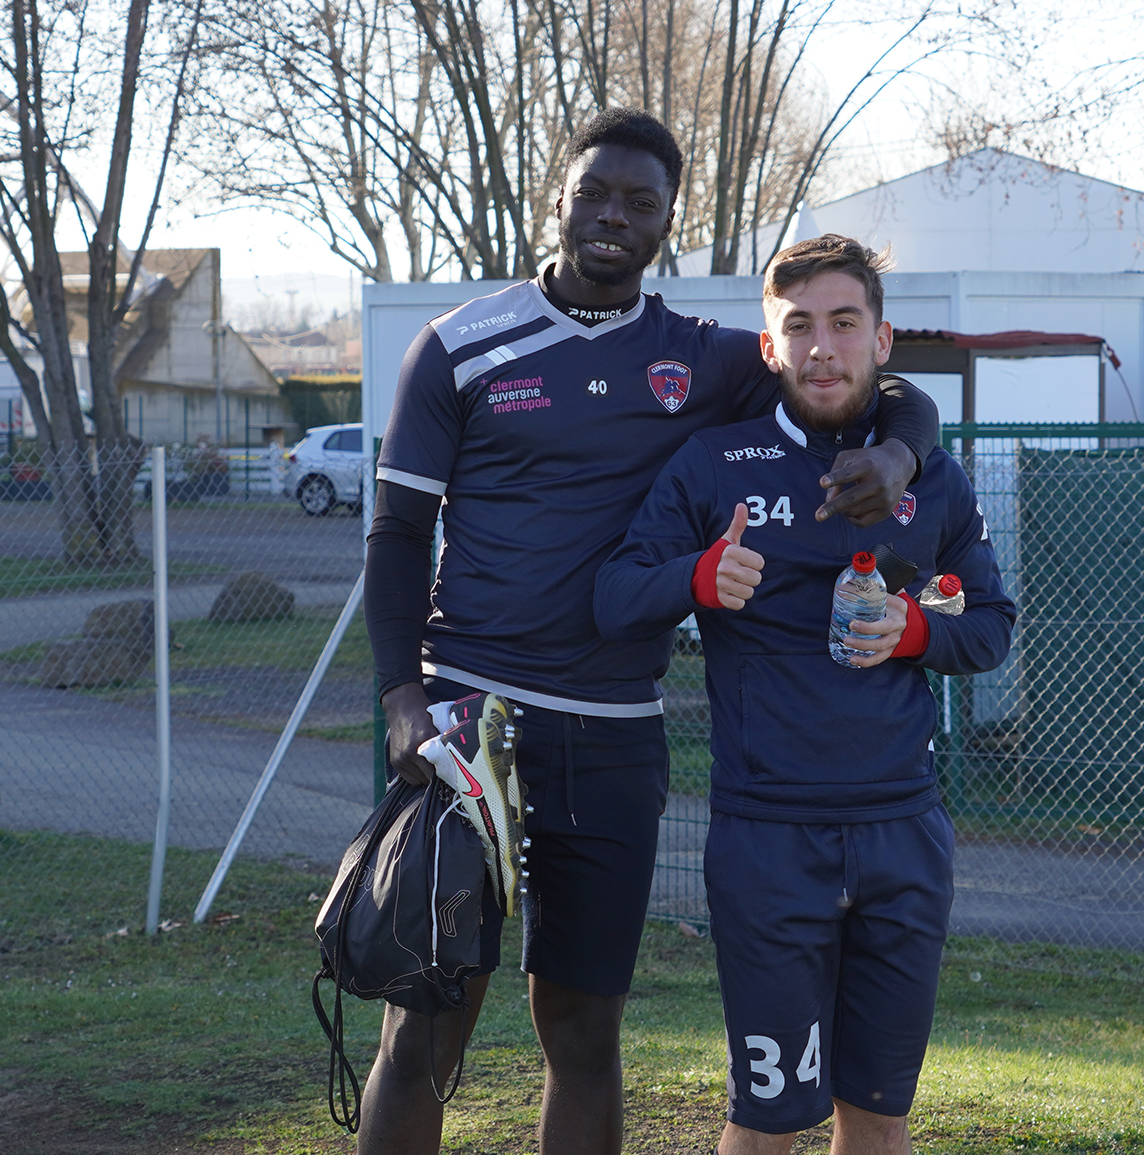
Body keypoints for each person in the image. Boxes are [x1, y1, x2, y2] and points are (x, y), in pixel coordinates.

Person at [363, 109, 940, 1155]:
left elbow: (867, 379)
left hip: (613, 735)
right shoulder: (456, 346)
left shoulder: (703, 360)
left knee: (582, 1033)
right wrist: (404, 699)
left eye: (641, 203)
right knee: (427, 1024)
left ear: (669, 220)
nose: (614, 218)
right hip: (466, 724)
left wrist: (898, 460)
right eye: (596, 194)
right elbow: (397, 532)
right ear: (558, 198)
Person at [595, 235, 1016, 1153]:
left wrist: (915, 632)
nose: (823, 346)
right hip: (769, 838)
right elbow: (615, 594)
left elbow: (990, 627)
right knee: (770, 1119)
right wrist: (699, 581)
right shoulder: (715, 464)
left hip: (904, 833)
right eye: (800, 326)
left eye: (844, 323)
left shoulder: (929, 477)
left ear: (882, 340)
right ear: (769, 347)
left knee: (880, 1116)